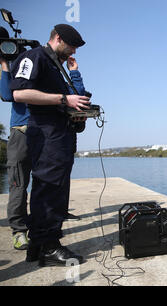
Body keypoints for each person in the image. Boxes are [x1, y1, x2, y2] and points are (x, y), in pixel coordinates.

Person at [9, 24, 91, 266]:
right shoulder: (33, 57)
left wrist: (73, 108)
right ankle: (49, 246)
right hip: (46, 134)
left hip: (58, 133)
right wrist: (64, 99)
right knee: (49, 189)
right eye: (70, 46)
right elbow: (19, 94)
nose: (73, 51)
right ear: (57, 38)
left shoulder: (56, 66)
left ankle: (39, 244)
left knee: (53, 189)